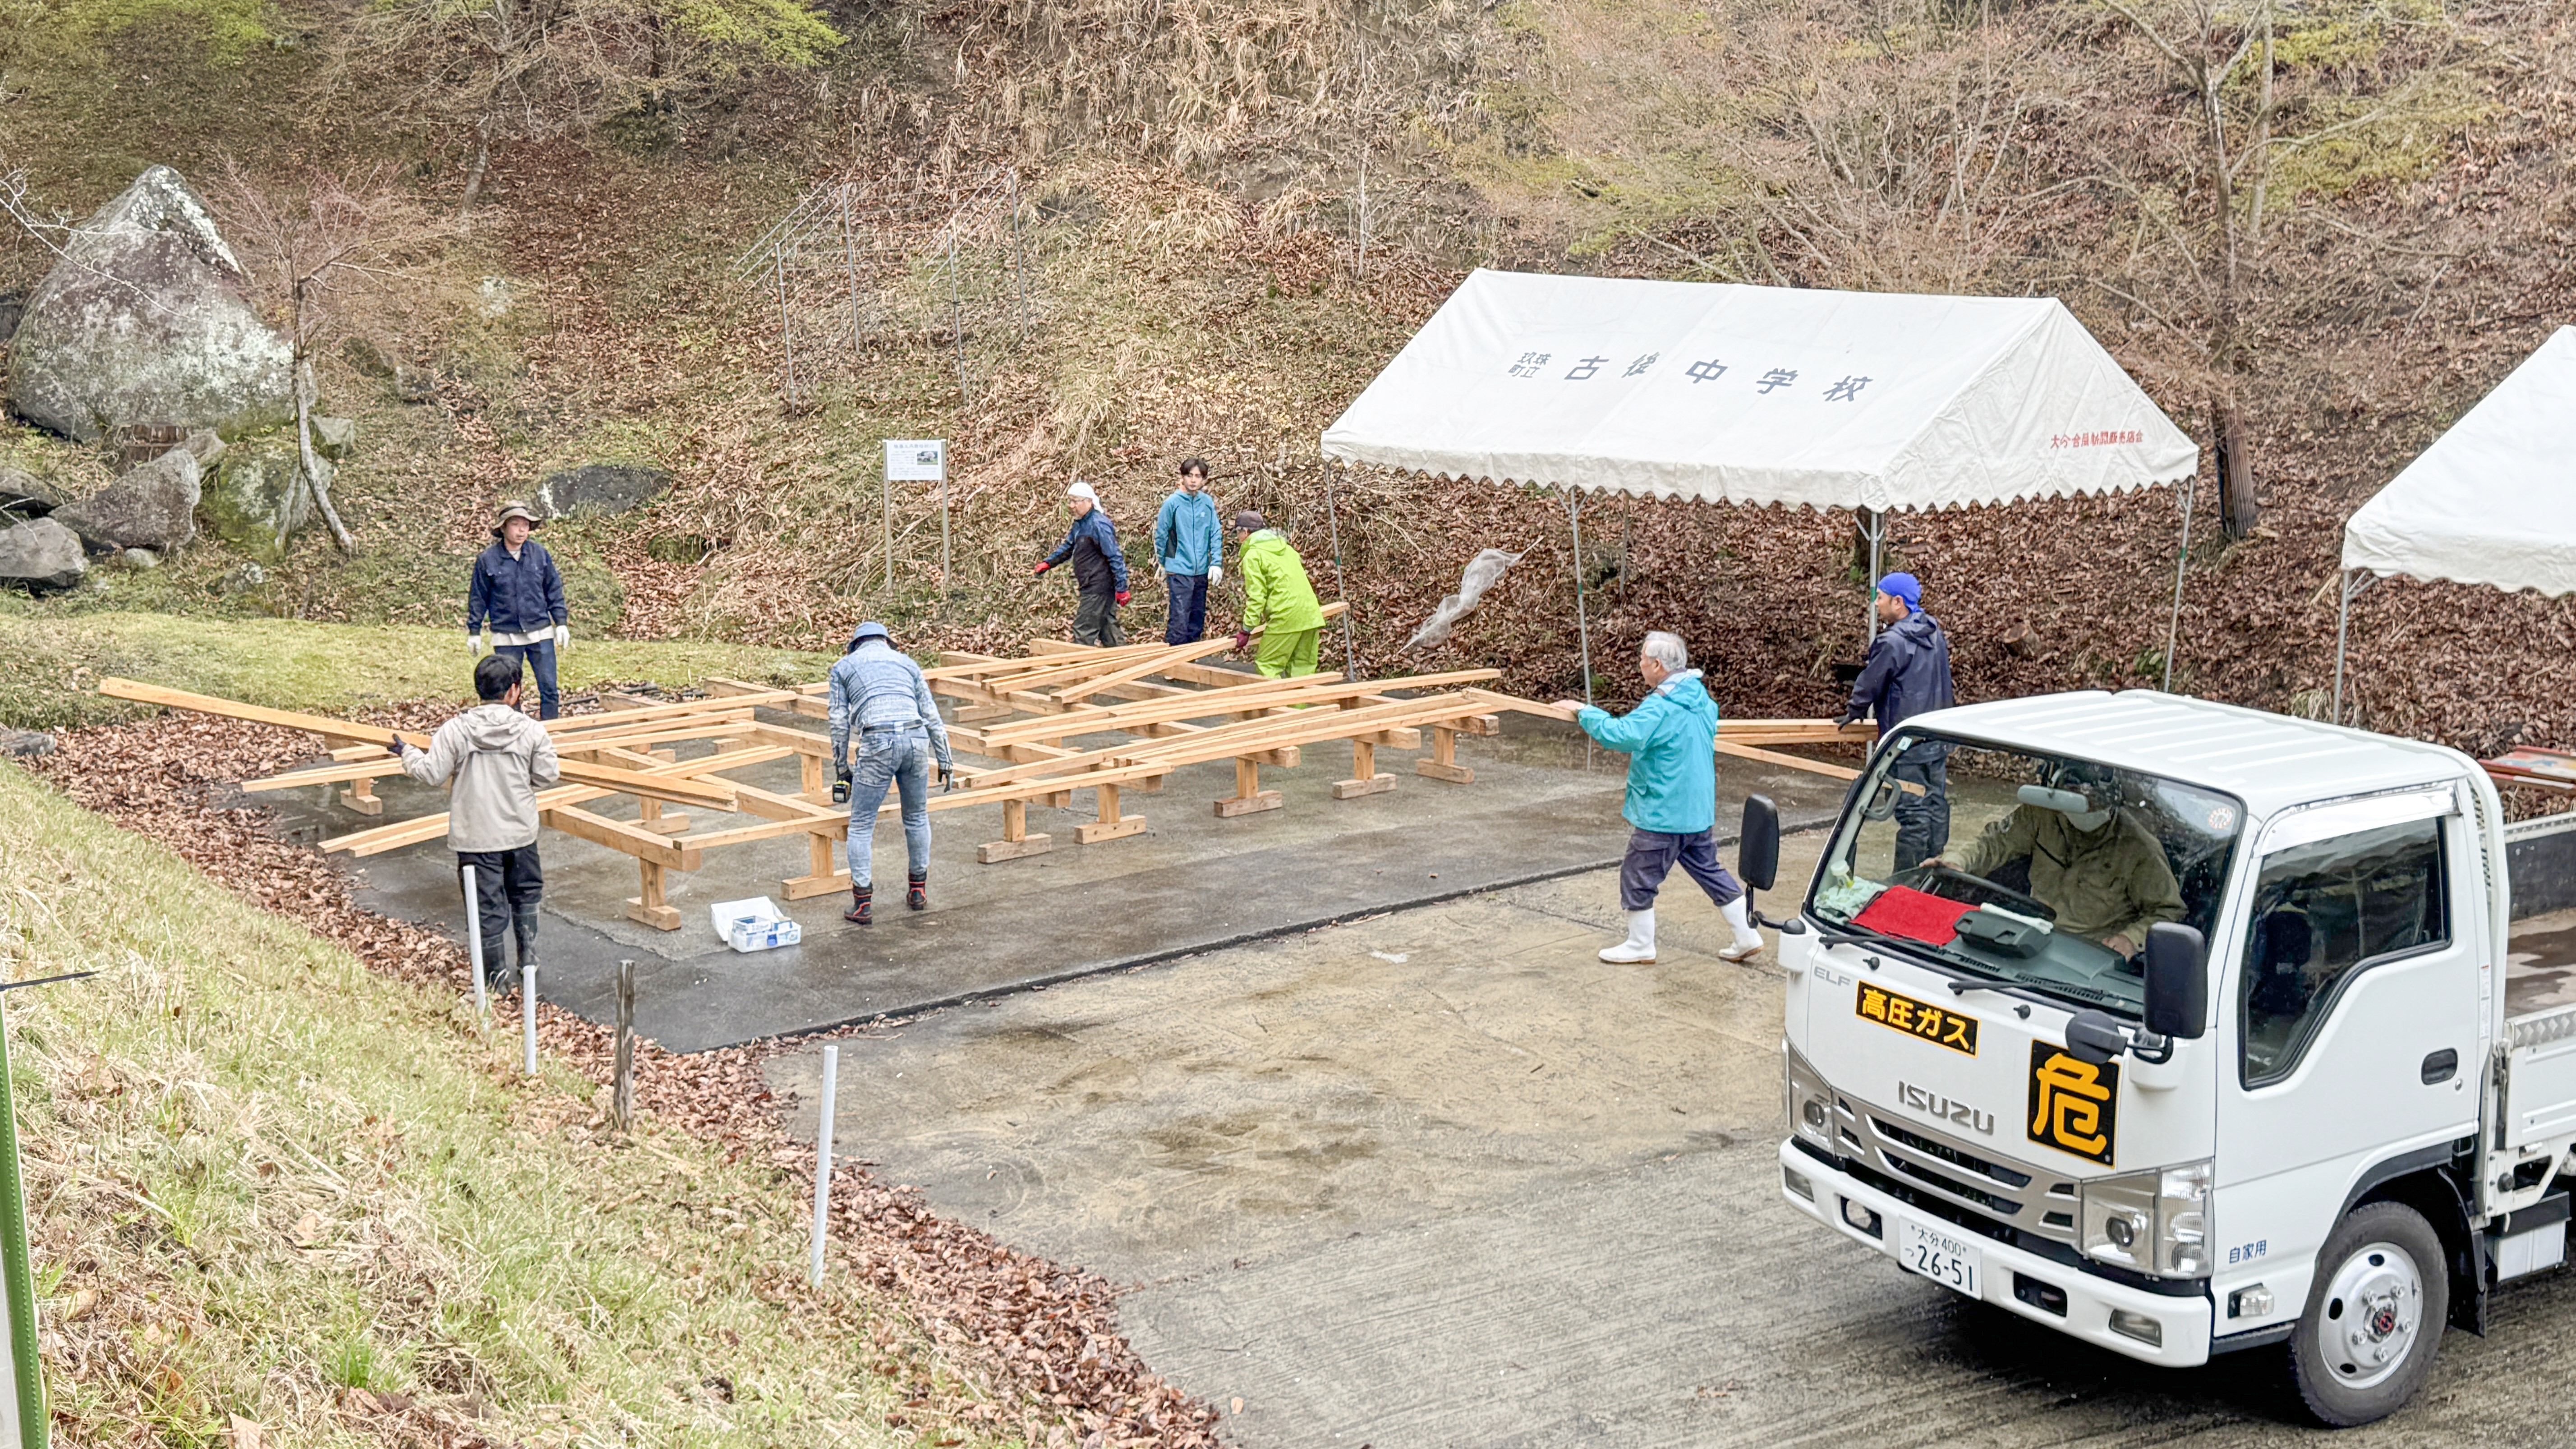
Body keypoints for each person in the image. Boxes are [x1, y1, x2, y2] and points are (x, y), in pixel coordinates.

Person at [1553, 632, 1767, 965]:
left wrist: (1585, 711)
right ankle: (1746, 934)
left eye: (1642, 659)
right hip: (1696, 810)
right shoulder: (1702, 701)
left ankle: (1640, 944)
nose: (1639, 665)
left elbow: (1623, 735)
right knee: (1709, 869)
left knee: (1638, 874)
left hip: (1664, 810)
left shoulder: (1662, 707)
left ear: (1657, 665)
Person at [390, 652, 561, 991]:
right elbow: (548, 775)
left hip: (476, 836)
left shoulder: (454, 730)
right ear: (514, 691)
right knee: (525, 894)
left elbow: (432, 772)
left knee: (486, 906)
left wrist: (407, 753)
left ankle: (495, 982)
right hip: (519, 832)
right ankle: (528, 959)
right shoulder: (531, 731)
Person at [1937, 763, 2184, 958]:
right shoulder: (2042, 814)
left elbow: (2170, 910)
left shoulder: (2139, 848)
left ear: (2113, 802)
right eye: (2078, 802)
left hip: (2090, 952)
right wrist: (1958, 861)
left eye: (2094, 804)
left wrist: (2132, 938)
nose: (2087, 812)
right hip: (2031, 935)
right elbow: (1993, 843)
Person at [828, 620, 955, 925]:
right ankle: (918, 892)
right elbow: (931, 714)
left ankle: (862, 905)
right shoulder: (907, 663)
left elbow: (838, 722)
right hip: (916, 739)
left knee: (860, 825)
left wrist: (842, 768)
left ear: (855, 644)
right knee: (916, 816)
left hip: (877, 741)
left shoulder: (843, 668)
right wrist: (946, 760)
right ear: (887, 641)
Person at [1841, 571, 1955, 871]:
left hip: (1907, 742)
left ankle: (1905, 880)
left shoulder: (1892, 642)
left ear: (1898, 602)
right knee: (1936, 805)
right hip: (1937, 737)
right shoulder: (1934, 632)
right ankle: (1932, 872)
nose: (1876, 604)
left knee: (1913, 814)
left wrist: (1855, 710)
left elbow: (1872, 681)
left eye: (1880, 597)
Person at [466, 502, 571, 720]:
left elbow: (554, 589)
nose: (522, 530)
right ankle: (513, 731)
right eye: (516, 524)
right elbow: (478, 597)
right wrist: (474, 631)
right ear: (504, 528)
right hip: (506, 635)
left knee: (549, 687)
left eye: (526, 525)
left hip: (540, 631)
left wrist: (561, 622)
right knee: (507, 692)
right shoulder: (488, 560)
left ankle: (551, 733)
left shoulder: (540, 555)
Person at [1229, 510, 1325, 678]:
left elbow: (1257, 597)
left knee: (1268, 665)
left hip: (1286, 615)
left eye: (1238, 533)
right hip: (1311, 613)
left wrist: (1246, 630)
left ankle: (1275, 705)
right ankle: (1296, 705)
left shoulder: (1254, 555)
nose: (1238, 538)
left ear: (1246, 532)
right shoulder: (1286, 549)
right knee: (1302, 668)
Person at [1035, 481, 1129, 647]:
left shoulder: (1098, 525)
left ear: (1089, 501)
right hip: (1092, 585)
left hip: (1098, 586)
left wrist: (1122, 588)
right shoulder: (1081, 524)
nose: (1072, 506)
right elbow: (1068, 547)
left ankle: (1082, 669)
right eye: (1070, 501)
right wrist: (1048, 563)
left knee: (1083, 630)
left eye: (1076, 501)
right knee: (1108, 630)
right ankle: (1124, 666)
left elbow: (1115, 556)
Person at [1154, 458, 1224, 645]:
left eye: (1198, 477)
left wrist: (1216, 562)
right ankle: (1174, 663)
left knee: (1197, 618)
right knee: (1179, 618)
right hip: (1179, 569)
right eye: (1190, 476)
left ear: (1203, 480)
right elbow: (1162, 536)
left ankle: (1191, 662)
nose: (1194, 480)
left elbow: (1215, 532)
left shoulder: (1207, 503)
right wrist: (1164, 562)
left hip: (1201, 569)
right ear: (1183, 477)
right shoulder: (1172, 504)